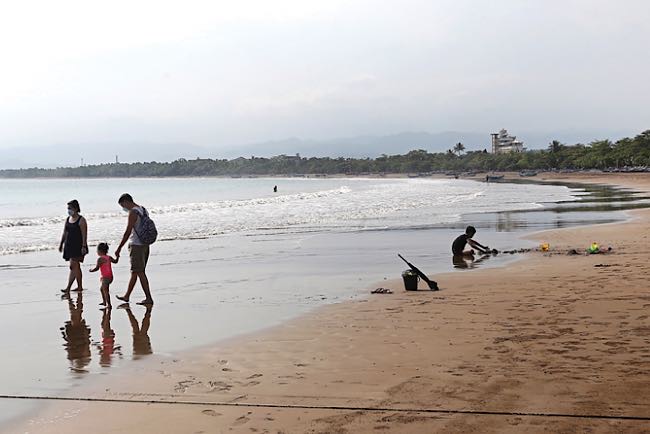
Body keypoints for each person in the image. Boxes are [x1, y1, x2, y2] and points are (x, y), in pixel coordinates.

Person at [114, 194, 154, 305]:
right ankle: (127, 296)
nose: (124, 208)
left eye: (123, 205)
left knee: (140, 272)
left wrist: (119, 248)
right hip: (145, 244)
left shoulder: (133, 212)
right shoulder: (143, 210)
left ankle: (148, 298)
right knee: (135, 271)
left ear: (126, 202)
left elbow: (128, 232)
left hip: (136, 245)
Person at [59, 200, 88, 292]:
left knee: (73, 266)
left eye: (70, 208)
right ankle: (77, 287)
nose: (68, 210)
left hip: (78, 246)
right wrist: (61, 243)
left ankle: (71, 287)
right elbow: (65, 232)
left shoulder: (81, 220)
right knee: (74, 267)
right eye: (68, 208)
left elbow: (84, 234)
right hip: (69, 245)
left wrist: (83, 246)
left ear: (75, 209)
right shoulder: (68, 219)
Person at [89, 242, 119, 308]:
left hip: (105, 278)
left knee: (105, 291)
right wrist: (117, 256)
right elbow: (116, 261)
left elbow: (97, 268)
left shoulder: (100, 259)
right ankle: (104, 302)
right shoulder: (109, 257)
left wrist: (91, 270)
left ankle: (109, 304)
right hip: (110, 277)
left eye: (97, 250)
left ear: (100, 251)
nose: (97, 252)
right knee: (102, 289)